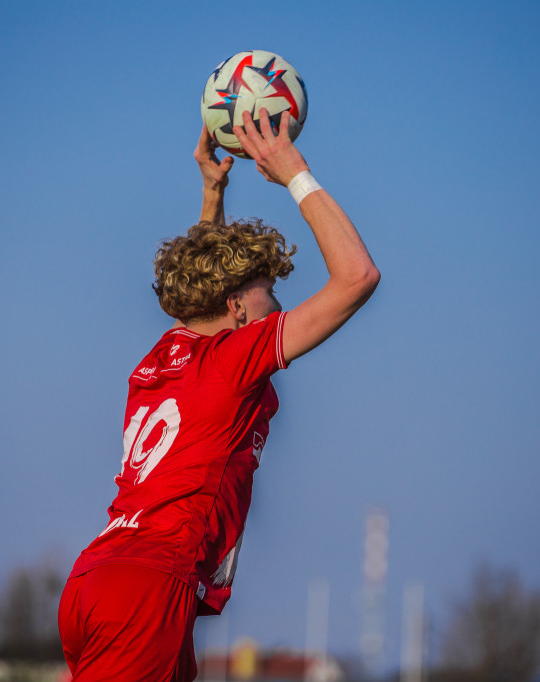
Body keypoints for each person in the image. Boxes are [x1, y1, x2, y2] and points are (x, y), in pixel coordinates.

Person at [58, 108, 380, 682]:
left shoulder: (161, 356)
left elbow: (201, 282)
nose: (278, 305)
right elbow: (357, 277)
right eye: (268, 293)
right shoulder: (235, 360)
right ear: (235, 307)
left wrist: (213, 193)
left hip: (97, 577)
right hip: (148, 585)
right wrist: (295, 172)